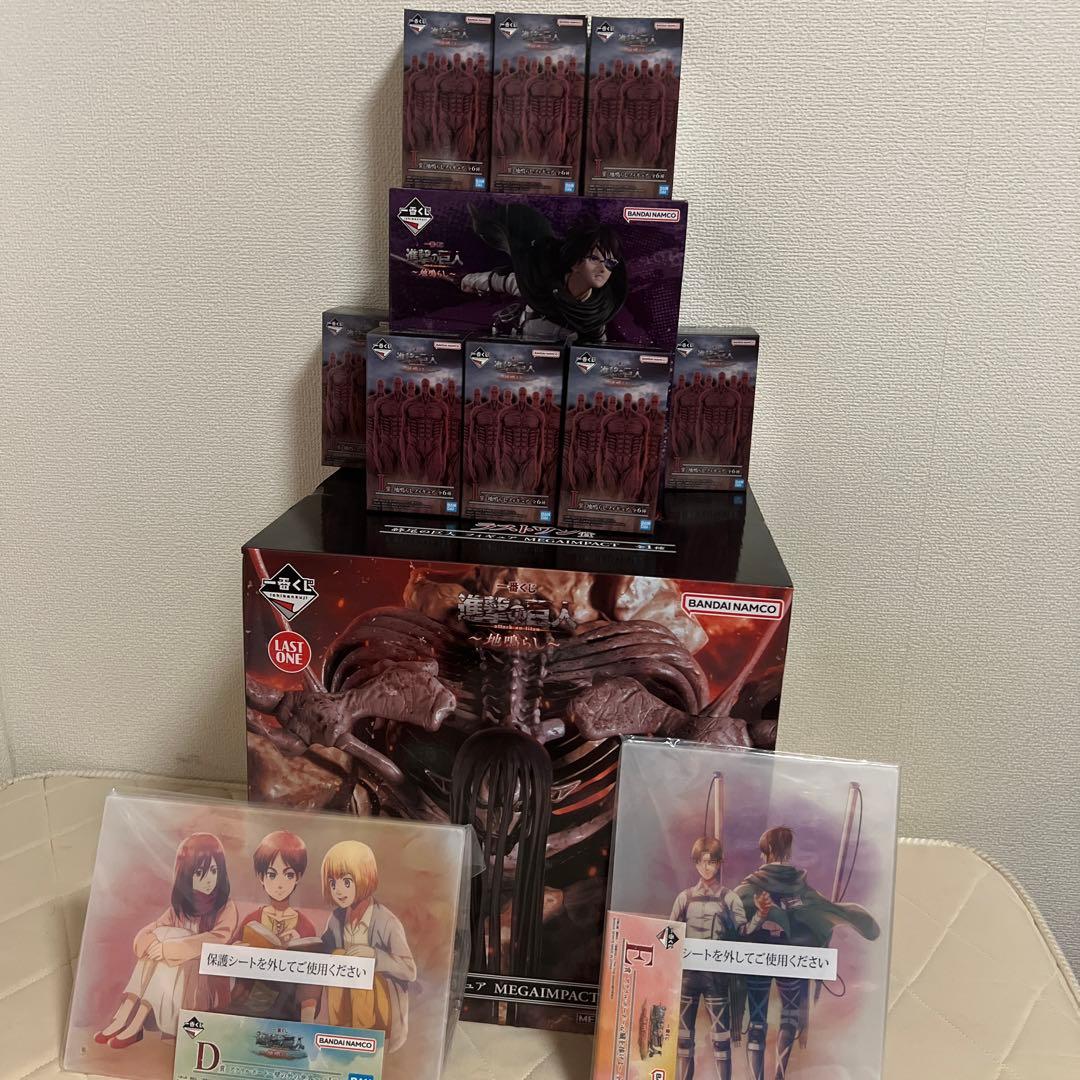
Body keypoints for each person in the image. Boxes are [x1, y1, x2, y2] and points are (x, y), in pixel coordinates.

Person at [731, 827, 880, 1080]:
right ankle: (779, 1075)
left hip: (759, 959)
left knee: (757, 1021)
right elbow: (838, 914)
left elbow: (729, 915)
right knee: (789, 1016)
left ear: (766, 852)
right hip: (791, 961)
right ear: (789, 851)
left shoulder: (747, 890)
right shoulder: (803, 891)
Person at [94, 834, 237, 1048]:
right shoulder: (180, 907)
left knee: (168, 939)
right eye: (200, 873)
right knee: (161, 936)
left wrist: (168, 949)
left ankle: (134, 1022)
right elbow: (150, 932)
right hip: (174, 979)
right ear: (186, 875)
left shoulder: (226, 907)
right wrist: (153, 944)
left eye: (214, 871)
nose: (209, 879)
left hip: (203, 979)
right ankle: (124, 1017)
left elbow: (217, 940)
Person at [461, 204, 628, 341]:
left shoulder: (596, 314)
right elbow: (498, 280)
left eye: (610, 263)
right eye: (594, 258)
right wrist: (466, 280)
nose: (603, 268)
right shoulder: (539, 281)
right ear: (576, 263)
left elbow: (596, 350)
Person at [320, 840, 417, 1052]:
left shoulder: (386, 921)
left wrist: (374, 956)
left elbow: (409, 970)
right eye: (332, 883)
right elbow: (324, 951)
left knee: (359, 968)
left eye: (346, 882)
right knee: (338, 955)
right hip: (344, 1005)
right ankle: (338, 1034)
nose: (338, 890)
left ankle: (360, 1039)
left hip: (380, 1010)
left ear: (365, 877)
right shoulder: (336, 919)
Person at [670, 837, 745, 1080]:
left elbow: (744, 934)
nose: (706, 867)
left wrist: (761, 916)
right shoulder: (684, 898)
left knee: (721, 1040)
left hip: (716, 978)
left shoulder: (730, 898)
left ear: (720, 863)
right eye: (701, 862)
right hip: (688, 976)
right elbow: (669, 936)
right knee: (683, 1041)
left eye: (711, 862)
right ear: (695, 863)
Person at [230, 830, 320, 1022]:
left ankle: (306, 1024)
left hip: (288, 1006)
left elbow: (312, 977)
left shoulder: (305, 925)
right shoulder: (252, 919)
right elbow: (228, 957)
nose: (280, 884)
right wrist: (238, 951)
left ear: (298, 877)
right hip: (251, 1002)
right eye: (272, 875)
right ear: (261, 877)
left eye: (288, 875)